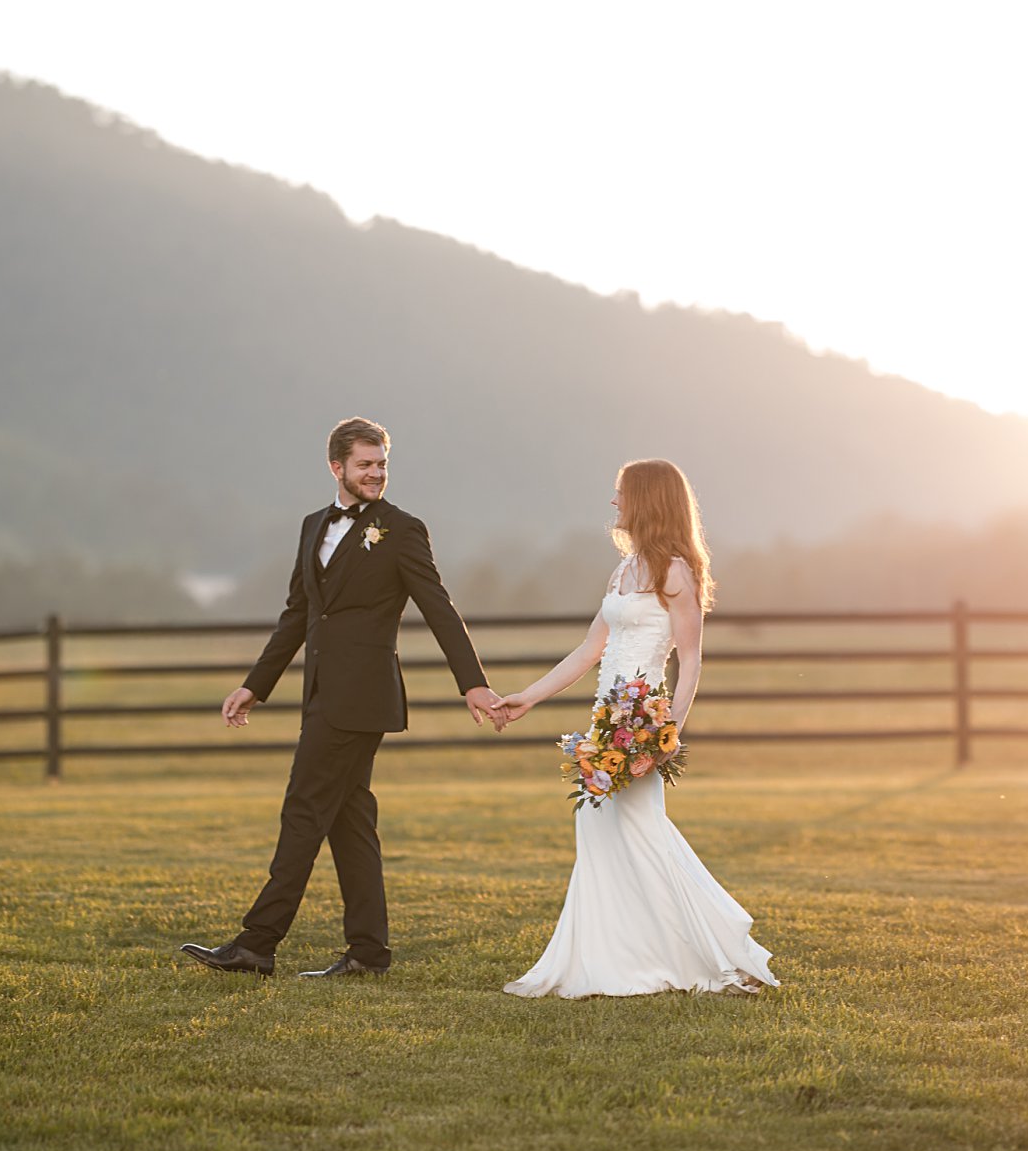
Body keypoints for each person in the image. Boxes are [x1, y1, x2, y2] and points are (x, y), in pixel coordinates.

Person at [180, 417, 502, 979]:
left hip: (362, 697)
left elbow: (439, 606)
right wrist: (255, 684)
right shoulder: (312, 526)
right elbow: (299, 615)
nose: (376, 474)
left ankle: (257, 944)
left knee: (303, 809)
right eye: (365, 466)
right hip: (321, 694)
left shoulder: (401, 529)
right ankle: (367, 954)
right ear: (337, 468)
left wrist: (471, 681)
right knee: (349, 822)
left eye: (381, 465)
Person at [495, 459, 776, 998]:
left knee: (644, 836)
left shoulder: (676, 572)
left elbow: (690, 660)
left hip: (642, 728)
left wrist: (666, 737)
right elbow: (588, 650)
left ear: (646, 500)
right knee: (599, 834)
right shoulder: (622, 573)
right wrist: (527, 698)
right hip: (607, 722)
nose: (612, 503)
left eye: (620, 493)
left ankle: (711, 958)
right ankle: (612, 957)